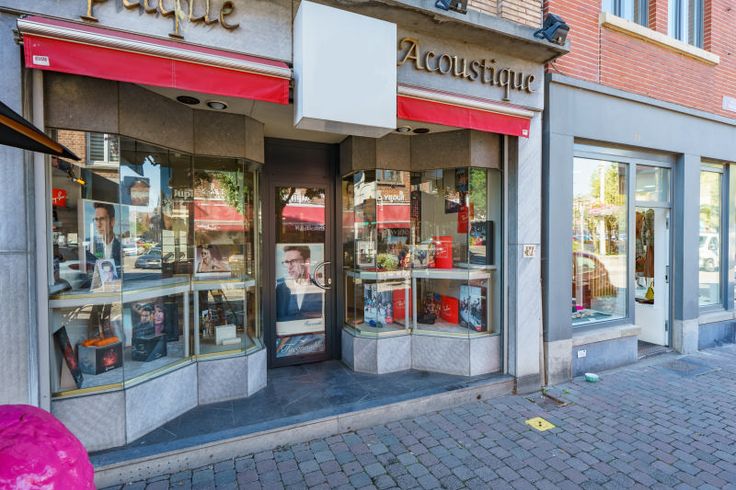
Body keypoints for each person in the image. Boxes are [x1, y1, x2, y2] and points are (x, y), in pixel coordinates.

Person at [275, 245, 323, 322]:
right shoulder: (278, 287)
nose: (289, 267)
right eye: (287, 262)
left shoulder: (319, 285)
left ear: (307, 262)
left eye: (294, 261)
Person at [92, 202, 121, 267]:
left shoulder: (121, 247)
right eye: (96, 219)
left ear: (112, 221)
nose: (98, 225)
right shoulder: (92, 246)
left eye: (102, 219)